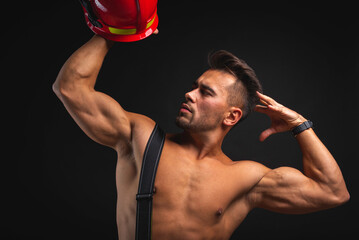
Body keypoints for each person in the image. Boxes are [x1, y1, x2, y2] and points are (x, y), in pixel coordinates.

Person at [53, 34, 349, 240]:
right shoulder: (140, 138)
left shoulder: (246, 178)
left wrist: (298, 124)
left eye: (205, 92)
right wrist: (111, 31)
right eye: (195, 86)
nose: (189, 94)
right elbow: (70, 88)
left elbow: (332, 192)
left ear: (231, 116)